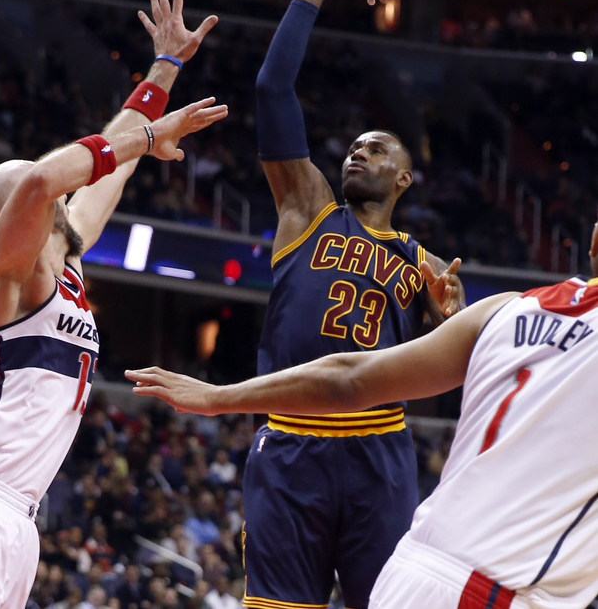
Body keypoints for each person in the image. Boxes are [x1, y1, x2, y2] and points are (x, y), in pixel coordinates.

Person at [127, 221, 598, 609]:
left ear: (593, 243)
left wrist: (215, 397)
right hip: (495, 593)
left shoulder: (504, 310)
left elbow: (349, 376)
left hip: (407, 574)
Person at [207, 0, 462, 609]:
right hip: (290, 438)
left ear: (404, 178)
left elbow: (454, 365)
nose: (357, 153)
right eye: (352, 147)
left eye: (375, 149)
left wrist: (453, 317)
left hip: (379, 448)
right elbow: (272, 88)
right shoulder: (308, 208)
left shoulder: (423, 263)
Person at [0, 0, 227, 609]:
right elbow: (43, 181)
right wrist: (143, 137)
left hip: (17, 515)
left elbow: (115, 162)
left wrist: (164, 67)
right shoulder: (2, 282)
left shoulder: (67, 254)